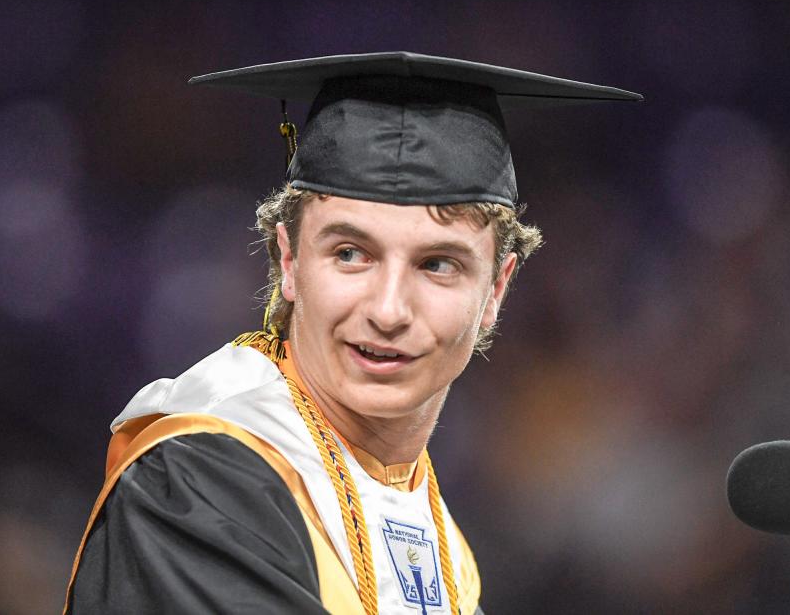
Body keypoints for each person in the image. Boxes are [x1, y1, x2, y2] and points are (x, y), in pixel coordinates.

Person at [63, 52, 641, 614]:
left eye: (438, 264)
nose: (389, 310)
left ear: (495, 291)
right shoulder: (199, 481)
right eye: (350, 253)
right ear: (288, 262)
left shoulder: (437, 539)